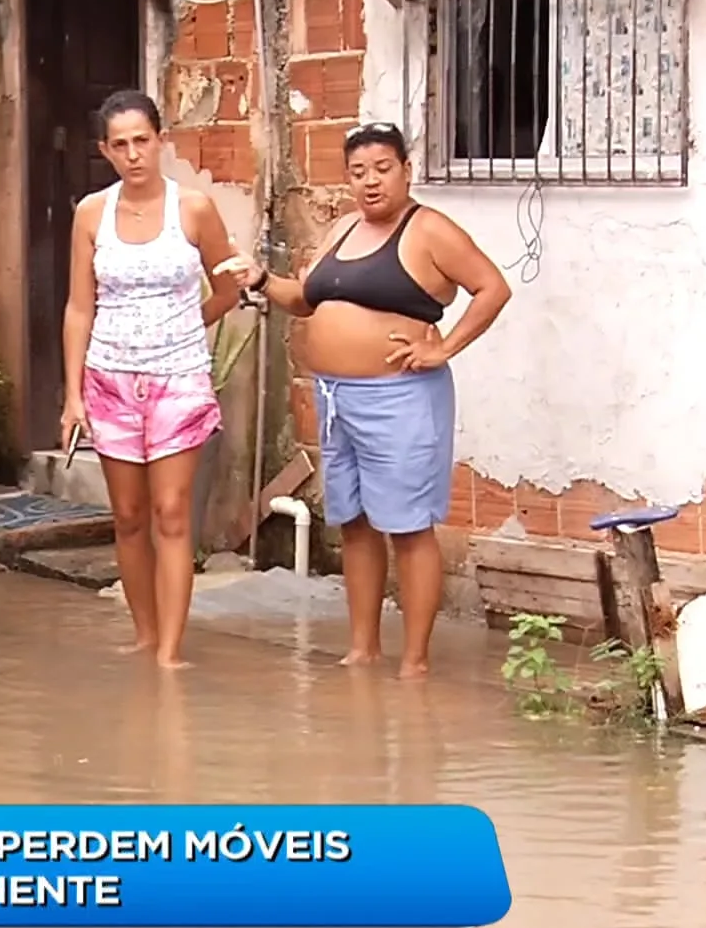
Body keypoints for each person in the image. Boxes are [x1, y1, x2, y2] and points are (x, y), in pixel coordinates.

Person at [220, 122, 511, 679]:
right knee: (354, 522)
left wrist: (443, 347)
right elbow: (304, 300)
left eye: (382, 168)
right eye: (358, 172)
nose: (371, 182)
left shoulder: (429, 230)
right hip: (338, 400)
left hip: (399, 398)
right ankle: (362, 648)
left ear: (406, 169)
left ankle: (416, 663)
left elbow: (492, 288)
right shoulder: (344, 230)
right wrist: (260, 278)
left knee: (407, 526)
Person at [61, 89, 244, 669]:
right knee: (129, 516)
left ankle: (170, 651)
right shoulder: (92, 213)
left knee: (171, 512)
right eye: (121, 145)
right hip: (108, 380)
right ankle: (143, 634)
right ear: (105, 151)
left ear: (161, 140)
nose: (134, 154)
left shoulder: (192, 209)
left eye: (143, 140)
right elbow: (79, 308)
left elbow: (229, 288)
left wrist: (186, 327)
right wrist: (72, 397)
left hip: (179, 379)